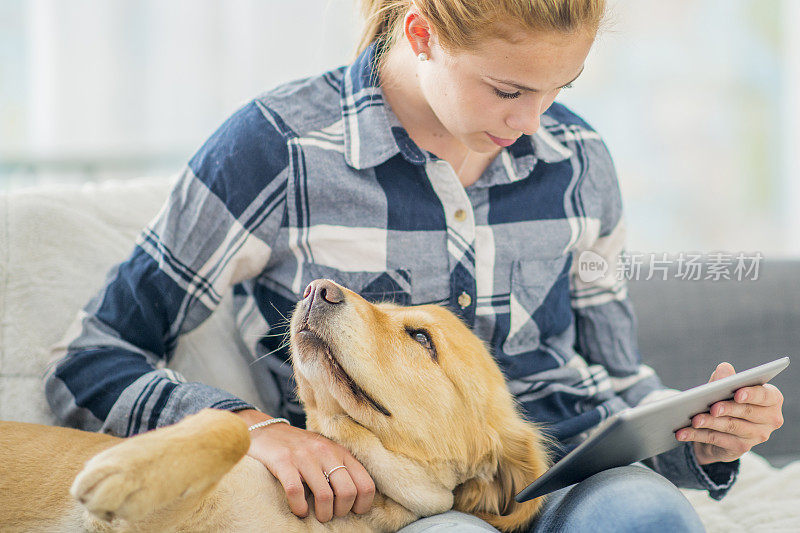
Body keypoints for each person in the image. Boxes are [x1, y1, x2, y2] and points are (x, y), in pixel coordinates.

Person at [45, 0, 785, 531]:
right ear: (422, 34)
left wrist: (703, 436)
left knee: (647, 512)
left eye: (562, 89)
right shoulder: (274, 149)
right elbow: (93, 357)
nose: (536, 124)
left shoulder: (580, 160)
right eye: (509, 89)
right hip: (389, 500)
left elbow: (619, 379)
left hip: (564, 477)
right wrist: (259, 429)